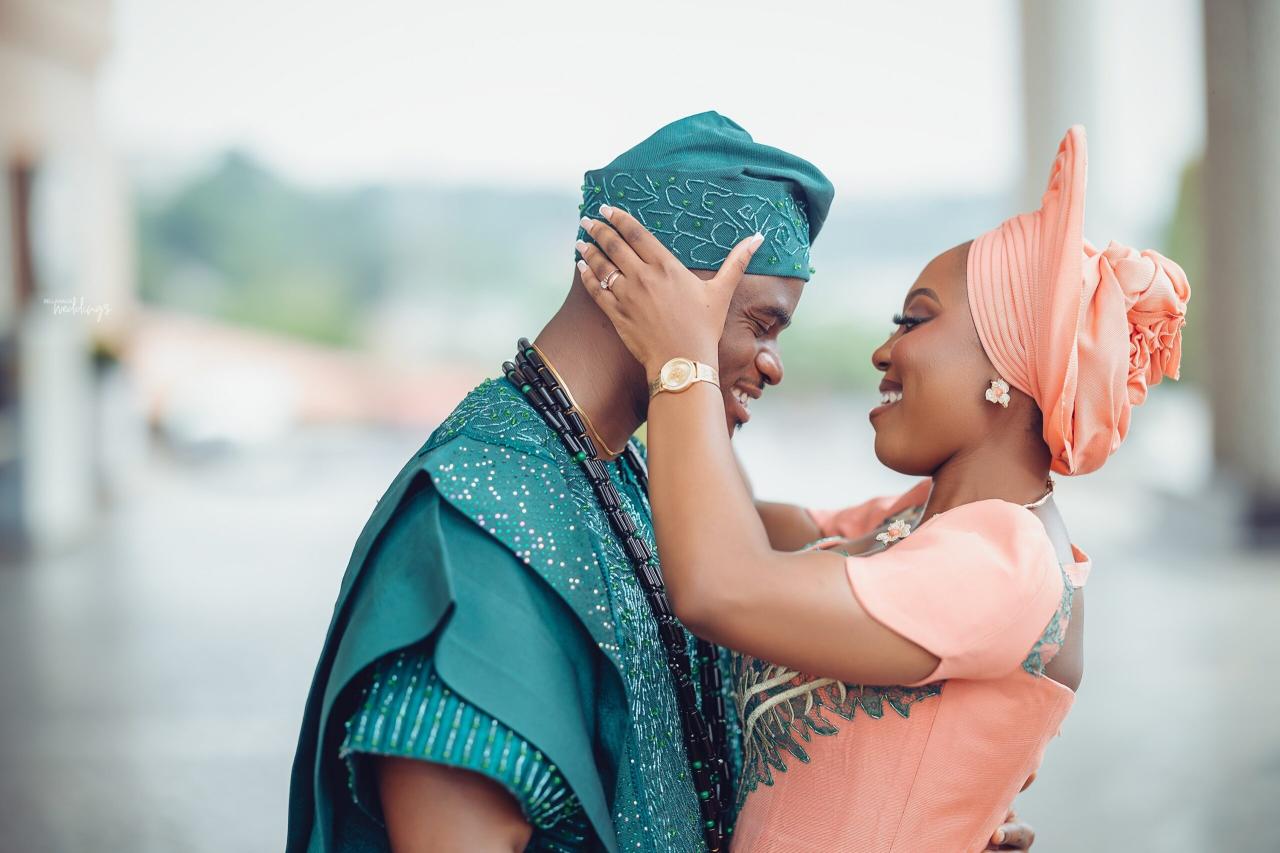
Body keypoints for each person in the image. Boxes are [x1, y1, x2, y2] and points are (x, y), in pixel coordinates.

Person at [286, 112, 1038, 852]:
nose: (774, 364)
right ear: (655, 292)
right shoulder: (476, 513)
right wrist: (687, 366)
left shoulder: (628, 479)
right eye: (764, 325)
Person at [575, 124, 1189, 851]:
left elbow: (720, 585)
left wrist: (683, 361)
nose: (881, 350)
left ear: (1011, 361)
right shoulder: (920, 522)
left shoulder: (1007, 562)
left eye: (915, 319)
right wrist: (709, 356)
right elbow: (727, 523)